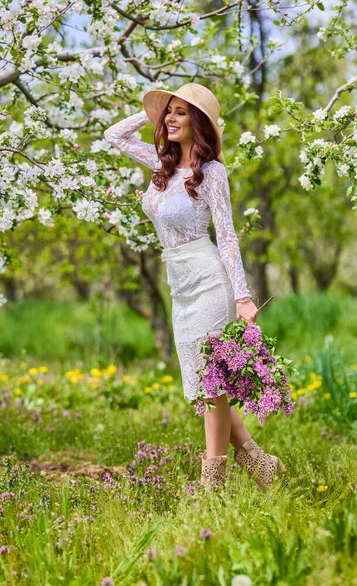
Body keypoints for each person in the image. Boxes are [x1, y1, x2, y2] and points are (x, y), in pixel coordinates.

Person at [104, 82, 286, 491]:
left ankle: (212, 486)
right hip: (178, 283)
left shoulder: (213, 173)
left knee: (211, 384)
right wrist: (155, 113)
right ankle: (263, 467)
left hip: (208, 280)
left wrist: (242, 295)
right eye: (168, 111)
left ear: (198, 123)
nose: (170, 118)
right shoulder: (160, 163)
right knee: (202, 386)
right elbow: (113, 135)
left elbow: (227, 235)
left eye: (181, 113)